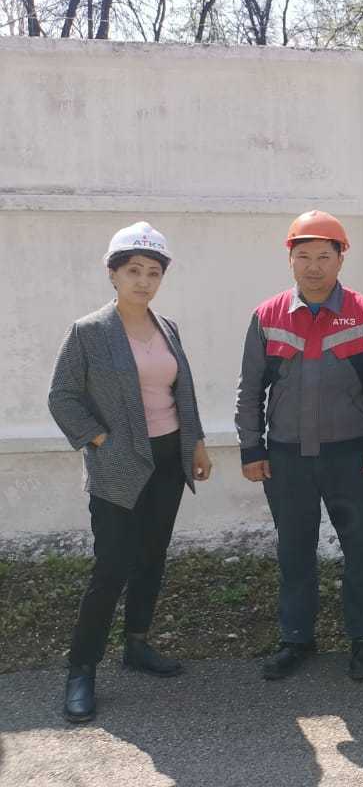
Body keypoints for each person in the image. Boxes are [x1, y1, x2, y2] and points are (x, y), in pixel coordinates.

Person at [49, 222, 213, 724]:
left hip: (168, 459)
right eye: (134, 271)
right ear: (113, 274)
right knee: (112, 566)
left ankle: (137, 644)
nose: (144, 281)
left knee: (152, 556)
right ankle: (81, 670)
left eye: (153, 272)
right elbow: (62, 397)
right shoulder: (90, 332)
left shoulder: (168, 328)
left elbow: (182, 392)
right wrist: (101, 441)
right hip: (118, 464)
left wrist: (196, 443)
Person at [235, 210, 363, 683]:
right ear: (289, 259)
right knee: (294, 551)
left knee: (361, 549)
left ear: (340, 258)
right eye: (303, 256)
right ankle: (296, 638)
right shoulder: (267, 316)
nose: (313, 267)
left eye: (323, 256)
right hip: (287, 457)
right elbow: (250, 389)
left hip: (352, 456)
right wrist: (252, 449)